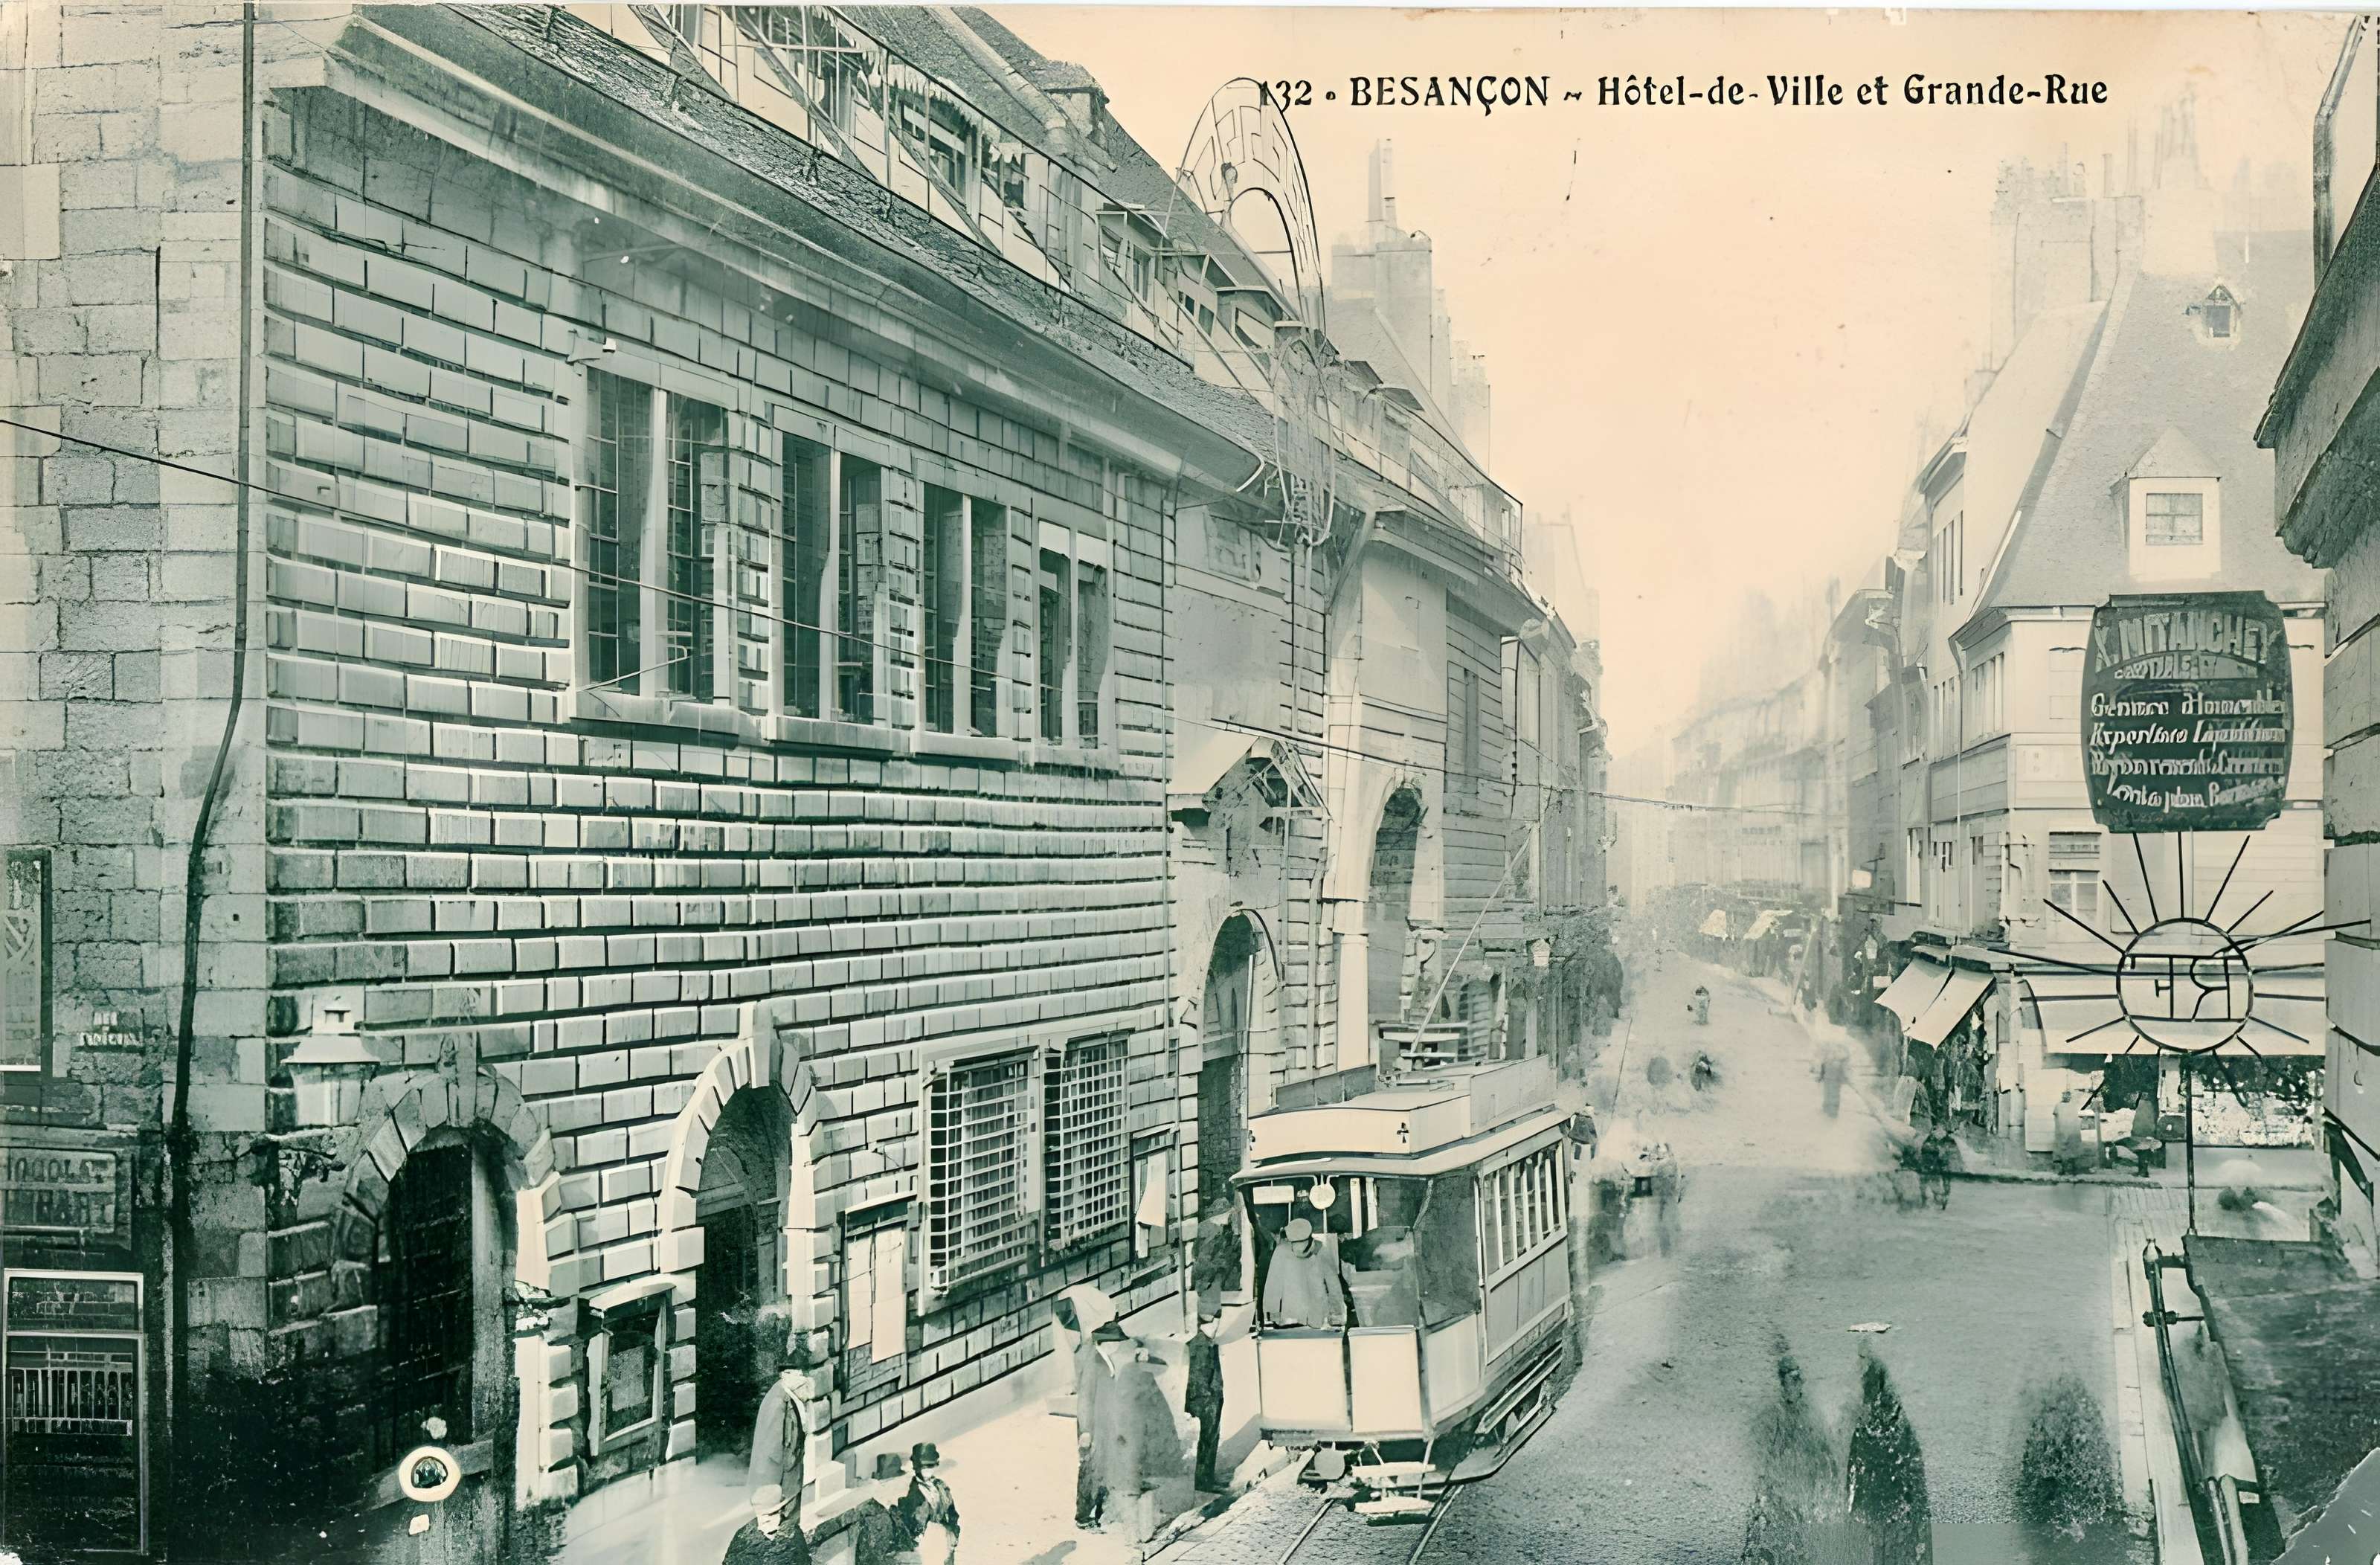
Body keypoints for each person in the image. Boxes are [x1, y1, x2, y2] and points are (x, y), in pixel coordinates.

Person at [749, 1336, 816, 1513]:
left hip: (790, 1476)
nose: (806, 1381)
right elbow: (772, 1449)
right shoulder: (778, 1400)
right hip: (777, 1482)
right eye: (802, 1375)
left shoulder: (793, 1397)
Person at [1075, 1320, 1125, 1529]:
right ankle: (1083, 1516)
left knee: (1106, 1469)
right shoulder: (1094, 1364)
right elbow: (1085, 1399)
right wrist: (1086, 1431)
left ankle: (1100, 1512)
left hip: (1107, 1426)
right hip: (1094, 1430)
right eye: (1116, 1342)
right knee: (1090, 1471)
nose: (1118, 1346)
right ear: (1106, 1343)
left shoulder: (1106, 1361)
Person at [1259, 1218, 1346, 1328]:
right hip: (1313, 1318)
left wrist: (1272, 1314)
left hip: (1294, 1316)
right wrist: (1337, 1314)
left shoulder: (1282, 1251)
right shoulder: (1320, 1249)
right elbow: (1334, 1285)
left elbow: (1273, 1286)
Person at [892, 1443, 959, 1565]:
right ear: (917, 1467)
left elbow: (952, 1513)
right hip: (923, 1548)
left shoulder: (941, 1487)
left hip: (944, 1544)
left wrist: (953, 1532)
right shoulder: (909, 1491)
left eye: (931, 1466)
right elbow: (906, 1522)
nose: (928, 1470)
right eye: (924, 1467)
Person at [1186, 1305, 1226, 1493]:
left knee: (1210, 1441)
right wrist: (1208, 1400)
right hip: (1205, 1402)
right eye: (1213, 1322)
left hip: (1211, 1400)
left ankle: (1208, 1478)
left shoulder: (1208, 1343)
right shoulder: (1200, 1346)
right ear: (1202, 1325)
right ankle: (1203, 1482)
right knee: (1207, 1442)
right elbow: (1196, 1378)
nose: (1216, 1326)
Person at [723, 1484, 812, 1565]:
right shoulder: (743, 1535)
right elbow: (729, 1561)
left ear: (780, 1512)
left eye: (770, 1515)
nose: (765, 1521)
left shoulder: (793, 1536)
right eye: (761, 1516)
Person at [1917, 1121, 1955, 1212]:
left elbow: (1953, 1154)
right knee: (1934, 1181)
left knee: (1936, 1182)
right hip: (1934, 1165)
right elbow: (1925, 1152)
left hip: (1939, 1165)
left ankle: (1937, 1199)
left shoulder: (1933, 1139)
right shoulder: (1932, 1140)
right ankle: (1936, 1198)